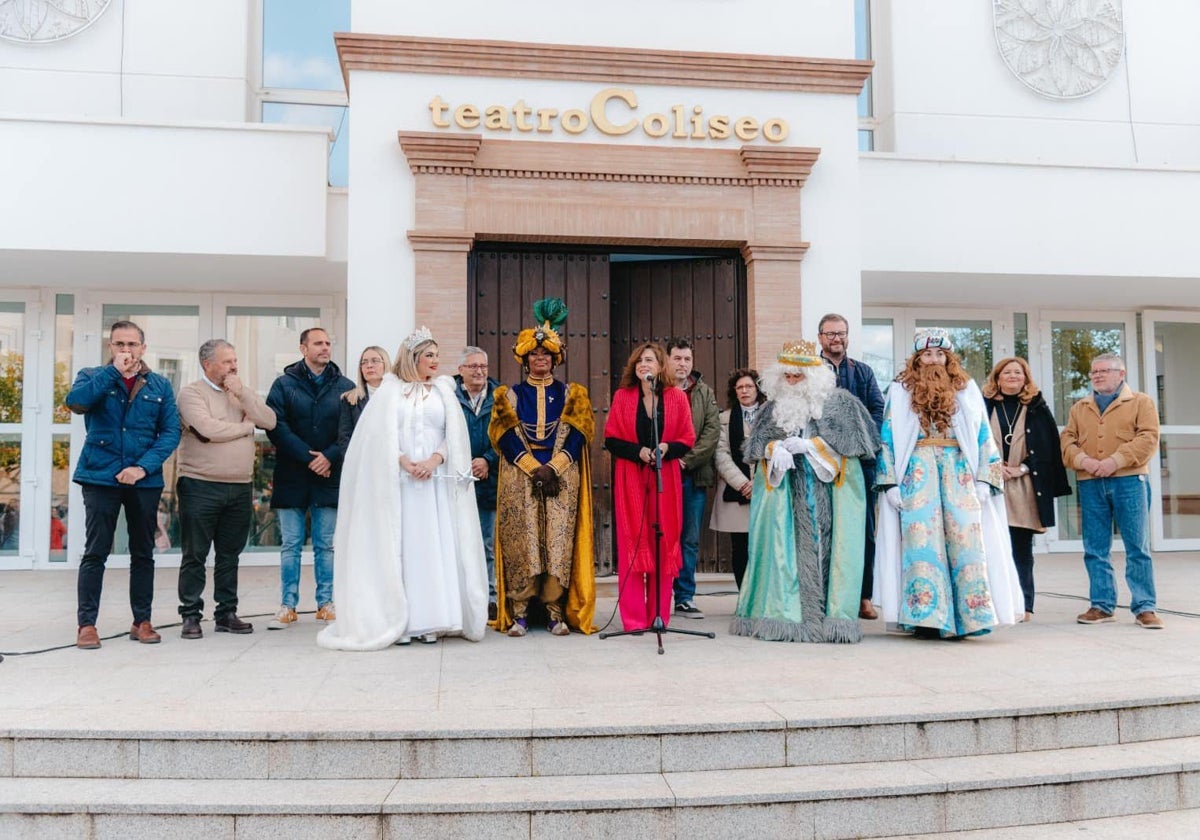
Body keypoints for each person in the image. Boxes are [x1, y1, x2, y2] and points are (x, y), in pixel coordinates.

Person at [317, 327, 487, 650]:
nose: (435, 362)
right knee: (404, 548)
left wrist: (435, 459)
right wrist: (404, 462)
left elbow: (453, 436)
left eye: (437, 356)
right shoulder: (389, 394)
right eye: (429, 356)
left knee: (432, 547)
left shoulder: (443, 392)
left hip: (434, 485)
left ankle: (432, 619)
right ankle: (403, 621)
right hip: (401, 484)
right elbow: (375, 438)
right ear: (413, 358)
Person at [874, 328, 1023, 639]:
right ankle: (925, 619)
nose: (933, 360)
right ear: (917, 359)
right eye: (927, 354)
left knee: (966, 544)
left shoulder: (965, 389)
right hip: (916, 475)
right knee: (920, 546)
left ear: (948, 358)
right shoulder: (900, 391)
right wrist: (889, 484)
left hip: (960, 475)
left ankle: (969, 617)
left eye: (939, 354)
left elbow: (984, 437)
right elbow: (887, 438)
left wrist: (985, 479)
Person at [731, 342, 880, 642]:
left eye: (798, 376)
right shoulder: (772, 409)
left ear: (813, 375)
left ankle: (830, 619)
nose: (792, 381)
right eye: (787, 376)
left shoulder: (841, 404)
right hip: (785, 500)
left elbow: (854, 448)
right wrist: (774, 450)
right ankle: (789, 617)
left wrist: (813, 446)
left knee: (829, 553)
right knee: (786, 556)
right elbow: (758, 449)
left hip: (827, 496)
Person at [66, 320, 181, 649]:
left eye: (132, 344)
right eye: (119, 344)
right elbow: (77, 402)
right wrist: (113, 373)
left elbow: (170, 432)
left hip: (143, 481)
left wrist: (141, 468)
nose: (126, 350)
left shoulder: (159, 385)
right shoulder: (93, 376)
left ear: (143, 348)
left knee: (143, 552)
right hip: (99, 476)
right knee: (96, 551)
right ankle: (86, 625)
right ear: (110, 347)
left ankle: (141, 621)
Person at [490, 300, 597, 637]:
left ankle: (554, 612)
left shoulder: (572, 394)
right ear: (524, 359)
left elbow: (579, 434)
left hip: (560, 479)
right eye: (534, 355)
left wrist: (554, 468)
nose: (540, 360)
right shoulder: (507, 395)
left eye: (546, 355)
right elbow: (504, 434)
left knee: (556, 543)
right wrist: (535, 469)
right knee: (523, 541)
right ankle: (519, 613)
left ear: (555, 358)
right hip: (520, 478)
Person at [175, 339, 277, 639]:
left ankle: (226, 613)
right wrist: (246, 428)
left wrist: (244, 395)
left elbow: (269, 420)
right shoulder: (191, 393)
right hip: (200, 484)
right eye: (227, 361)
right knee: (195, 554)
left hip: (239, 486)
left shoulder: (240, 394)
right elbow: (208, 429)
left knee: (229, 555)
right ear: (208, 364)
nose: (234, 366)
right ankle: (191, 615)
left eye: (235, 360)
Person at [1061, 353, 1162, 629]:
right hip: (1090, 482)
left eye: (1104, 371)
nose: (1097, 376)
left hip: (1130, 481)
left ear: (1121, 373)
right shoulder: (1079, 407)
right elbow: (1067, 441)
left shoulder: (1141, 402)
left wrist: (1113, 461)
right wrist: (1085, 461)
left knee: (1137, 547)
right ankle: (1101, 605)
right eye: (1094, 372)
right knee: (1095, 547)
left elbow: (1149, 438)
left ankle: (1145, 607)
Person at [265, 328, 354, 629]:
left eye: (328, 343)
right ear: (303, 348)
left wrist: (329, 456)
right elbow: (276, 426)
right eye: (318, 343)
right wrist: (309, 457)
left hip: (329, 473)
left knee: (325, 544)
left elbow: (350, 429)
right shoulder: (283, 384)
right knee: (290, 543)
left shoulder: (345, 386)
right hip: (292, 474)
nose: (325, 348)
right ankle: (287, 605)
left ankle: (325, 603)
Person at [605, 342, 695, 631]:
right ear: (634, 367)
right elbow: (611, 439)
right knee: (633, 541)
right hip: (631, 476)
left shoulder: (676, 398)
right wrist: (638, 452)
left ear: (661, 367)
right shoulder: (623, 396)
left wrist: (667, 446)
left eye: (651, 360)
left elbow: (688, 439)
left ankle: (659, 616)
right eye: (640, 360)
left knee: (663, 541)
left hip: (664, 477)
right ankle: (633, 620)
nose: (644, 364)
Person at [983, 357, 1071, 621]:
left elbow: (1047, 447)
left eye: (1018, 372)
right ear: (997, 378)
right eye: (1007, 372)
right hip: (990, 483)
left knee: (1021, 546)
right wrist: (995, 467)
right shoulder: (984, 405)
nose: (1012, 376)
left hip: (1024, 484)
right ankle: (991, 602)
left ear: (1025, 378)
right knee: (991, 545)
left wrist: (1021, 468)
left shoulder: (1037, 407)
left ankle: (1024, 605)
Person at [817, 313, 885, 620]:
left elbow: (877, 411)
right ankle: (823, 595)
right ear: (820, 338)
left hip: (859, 462)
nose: (836, 339)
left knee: (863, 531)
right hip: (820, 460)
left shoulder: (864, 372)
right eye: (830, 334)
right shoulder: (810, 371)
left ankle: (863, 596)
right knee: (824, 529)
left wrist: (860, 444)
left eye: (841, 333)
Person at [666, 339, 721, 620]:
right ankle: (662, 596)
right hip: (662, 475)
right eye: (677, 358)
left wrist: (686, 460)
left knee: (689, 538)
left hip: (693, 475)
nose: (683, 364)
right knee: (664, 535)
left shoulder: (704, 392)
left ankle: (685, 597)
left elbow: (712, 431)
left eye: (687, 359)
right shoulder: (657, 391)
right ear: (667, 360)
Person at [710, 368, 766, 590]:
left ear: (757, 389)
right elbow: (720, 454)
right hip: (737, 490)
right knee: (740, 547)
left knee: (764, 546)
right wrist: (743, 483)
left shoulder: (771, 415)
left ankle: (762, 597)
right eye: (740, 387)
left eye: (749, 386)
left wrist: (759, 482)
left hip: (766, 489)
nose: (744, 391)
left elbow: (776, 451)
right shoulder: (724, 418)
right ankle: (744, 596)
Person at [455, 346, 500, 619]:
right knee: (457, 542)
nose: (479, 371)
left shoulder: (501, 397)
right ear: (461, 370)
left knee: (486, 543)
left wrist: (487, 459)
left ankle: (489, 598)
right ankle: (459, 599)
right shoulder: (448, 395)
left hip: (488, 481)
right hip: (456, 481)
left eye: (482, 366)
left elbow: (508, 435)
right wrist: (461, 462)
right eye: (472, 366)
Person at [337, 345, 391, 452]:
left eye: (375, 361)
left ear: (386, 364)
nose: (369, 365)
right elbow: (345, 437)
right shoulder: (350, 399)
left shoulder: (399, 395)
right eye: (364, 362)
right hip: (361, 461)